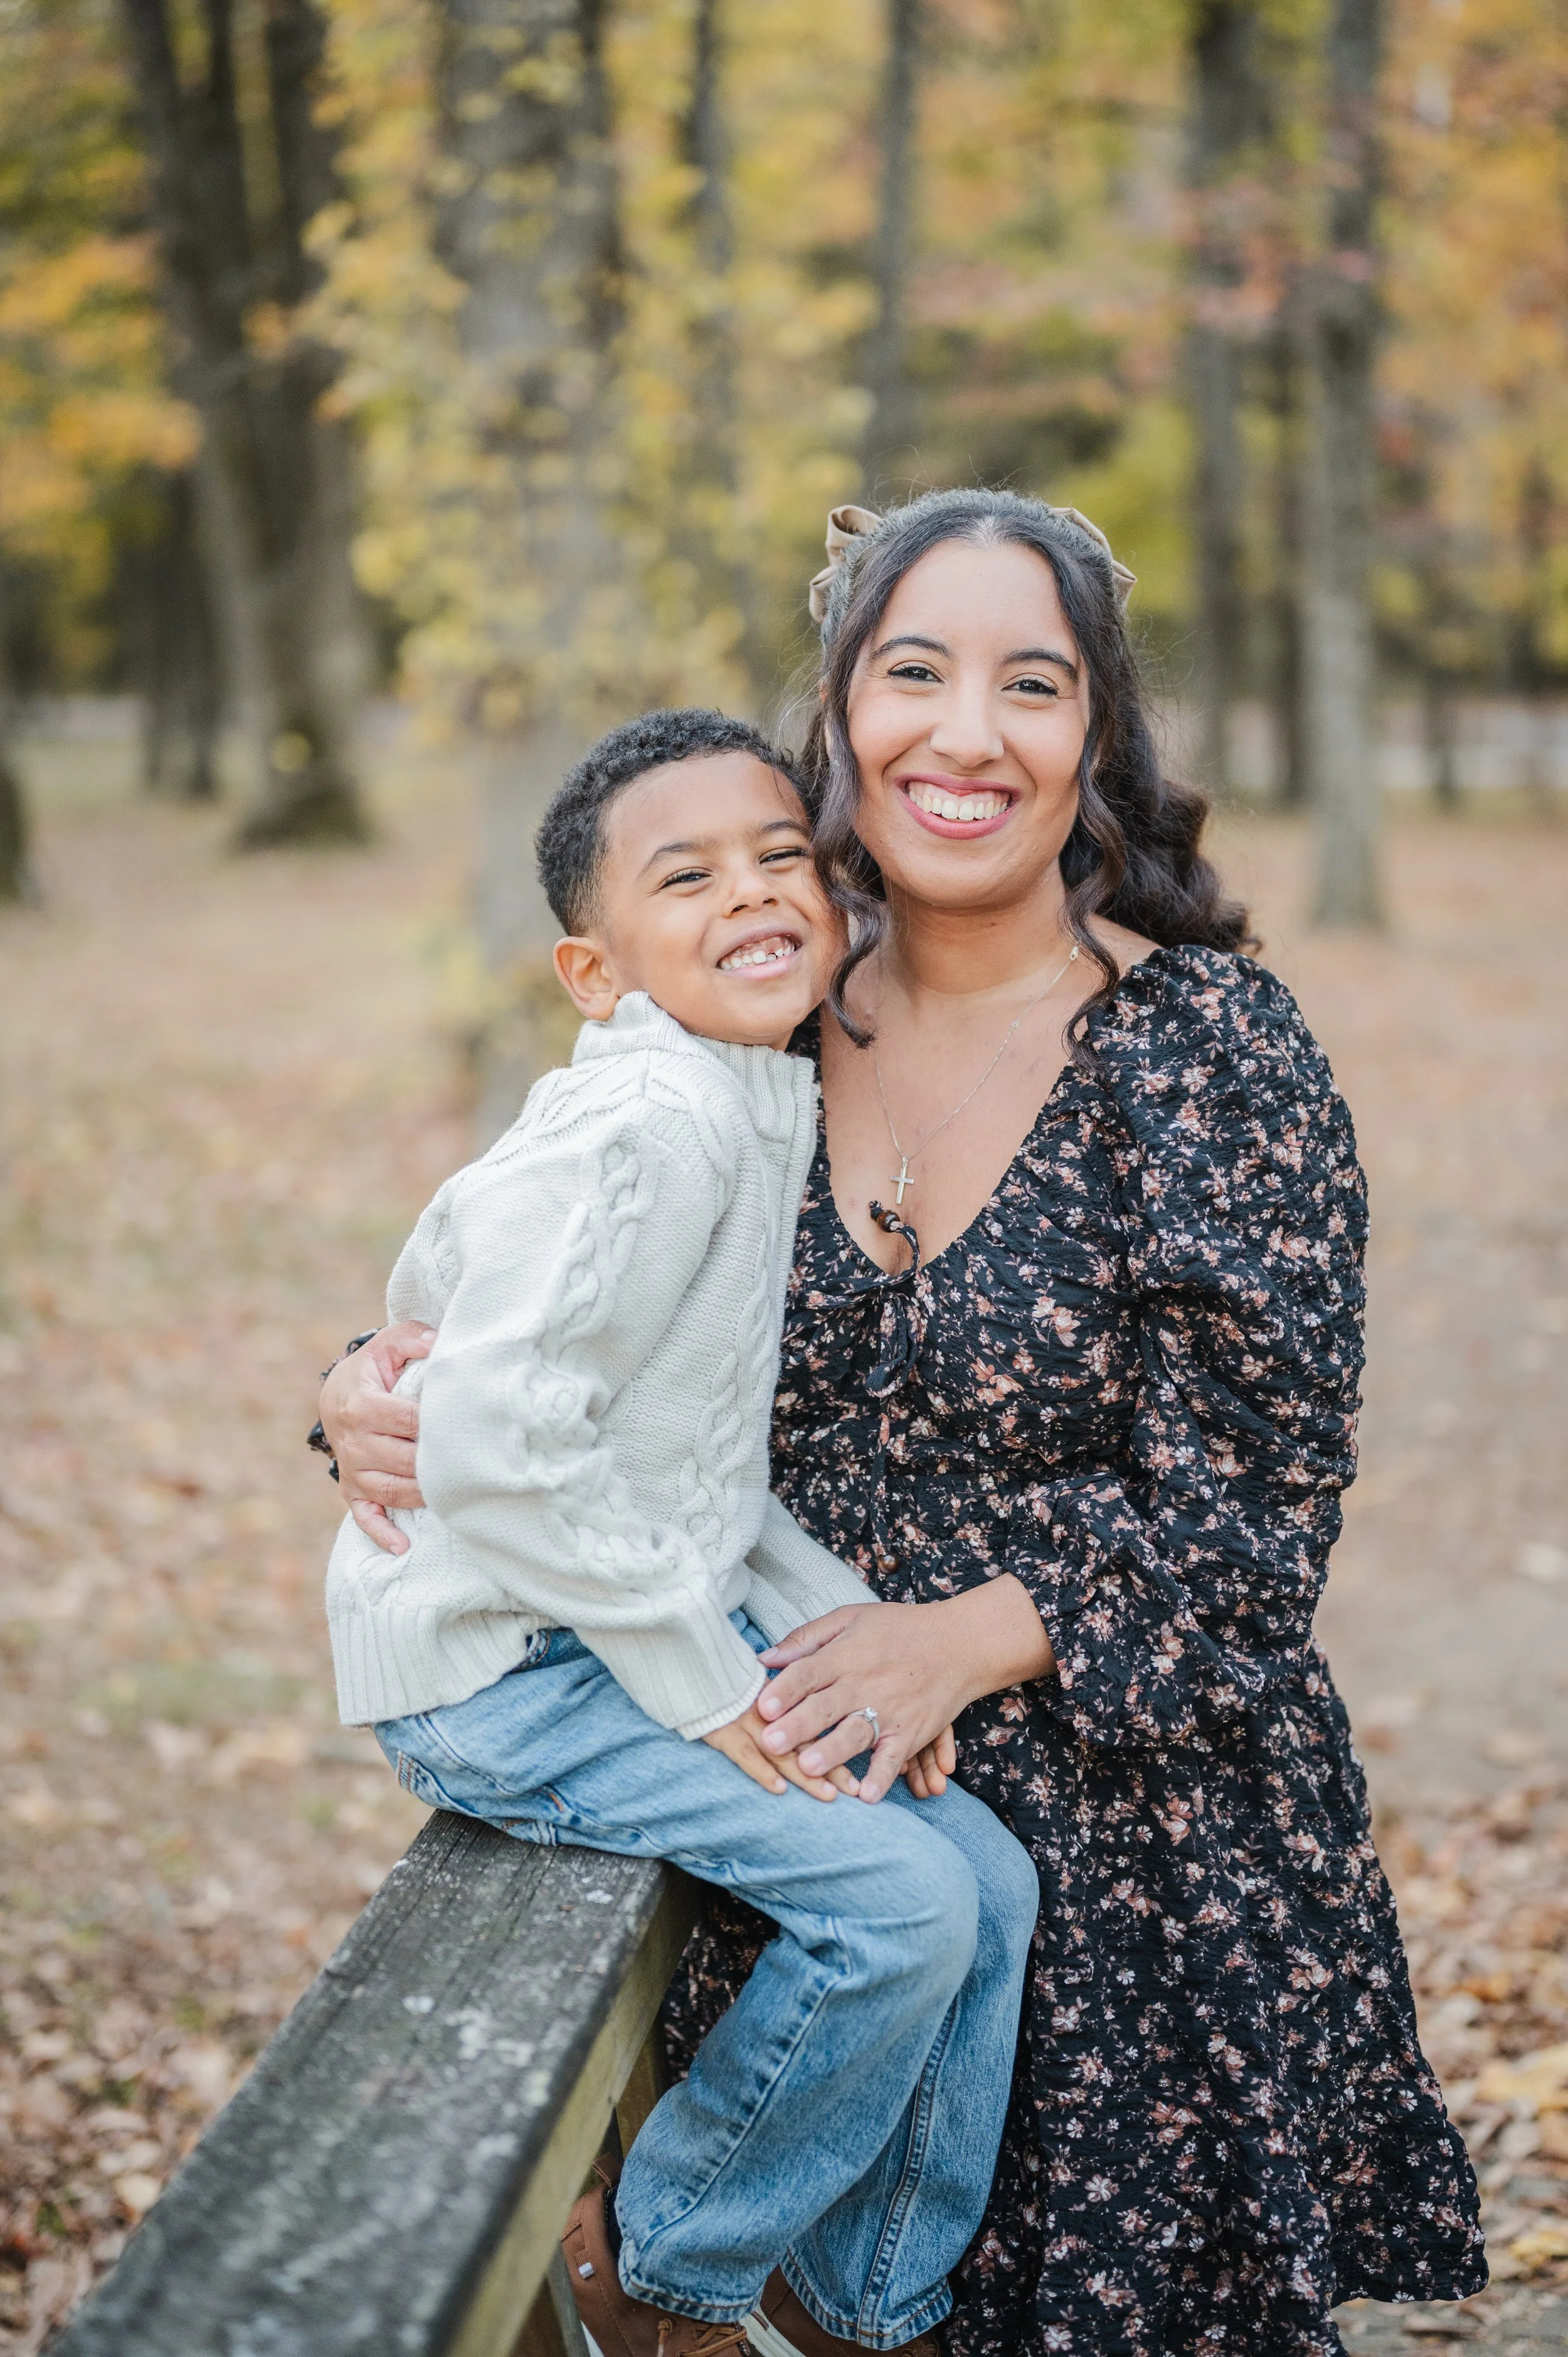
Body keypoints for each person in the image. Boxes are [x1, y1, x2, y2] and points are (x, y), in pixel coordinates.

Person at [321, 490, 1486, 2355]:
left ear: (1092, 732)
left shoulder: (1205, 1053)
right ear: (840, 707)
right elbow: (552, 1263)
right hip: (787, 1838)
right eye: (913, 669)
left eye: (1028, 683)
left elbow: (1258, 1503)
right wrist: (364, 1389)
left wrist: (962, 1637)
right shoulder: (746, 1007)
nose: (965, 731)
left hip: (1132, 1878)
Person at [320, 704, 1040, 2357]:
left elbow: (693, 1475)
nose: (754, 890)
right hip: (504, 1670)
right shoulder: (647, 1126)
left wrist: (841, 1643)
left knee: (984, 1878)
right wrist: (708, 1680)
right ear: (594, 971)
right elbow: (497, 1451)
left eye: (781, 854)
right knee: (905, 1907)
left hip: (612, 1625)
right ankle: (669, 2274)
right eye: (689, 873)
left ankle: (866, 2298)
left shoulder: (736, 1100)